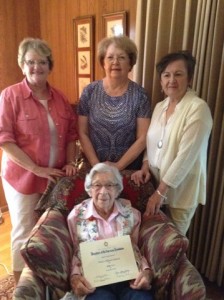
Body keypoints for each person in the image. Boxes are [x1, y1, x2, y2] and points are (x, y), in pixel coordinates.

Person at [0, 37, 78, 284]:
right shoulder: (10, 96)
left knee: (50, 229)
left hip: (53, 177)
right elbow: (4, 139)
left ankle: (45, 279)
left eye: (42, 62)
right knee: (24, 231)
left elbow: (72, 135)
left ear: (49, 65)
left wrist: (69, 162)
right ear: (22, 65)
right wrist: (35, 168)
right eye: (30, 62)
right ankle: (20, 286)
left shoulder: (60, 98)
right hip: (22, 178)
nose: (36, 67)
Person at [131, 51, 213, 235]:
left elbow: (186, 157)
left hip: (180, 191)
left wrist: (160, 193)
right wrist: (145, 164)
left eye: (178, 74)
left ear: (190, 78)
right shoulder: (160, 106)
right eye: (166, 75)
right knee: (152, 241)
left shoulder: (198, 109)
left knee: (173, 243)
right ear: (161, 80)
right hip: (154, 183)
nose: (171, 80)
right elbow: (151, 141)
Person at [67, 163, 154, 300]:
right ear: (89, 189)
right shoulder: (76, 216)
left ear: (117, 189)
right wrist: (75, 277)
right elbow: (75, 251)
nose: (103, 192)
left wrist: (146, 272)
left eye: (109, 185)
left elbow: (136, 249)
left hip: (129, 280)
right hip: (95, 284)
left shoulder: (132, 214)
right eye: (97, 185)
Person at [78, 35, 150, 171]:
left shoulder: (141, 95)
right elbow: (83, 132)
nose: (115, 62)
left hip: (129, 170)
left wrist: (118, 166)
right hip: (94, 171)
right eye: (110, 57)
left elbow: (143, 137)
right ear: (103, 63)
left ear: (130, 64)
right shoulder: (89, 91)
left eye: (122, 57)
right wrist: (96, 166)